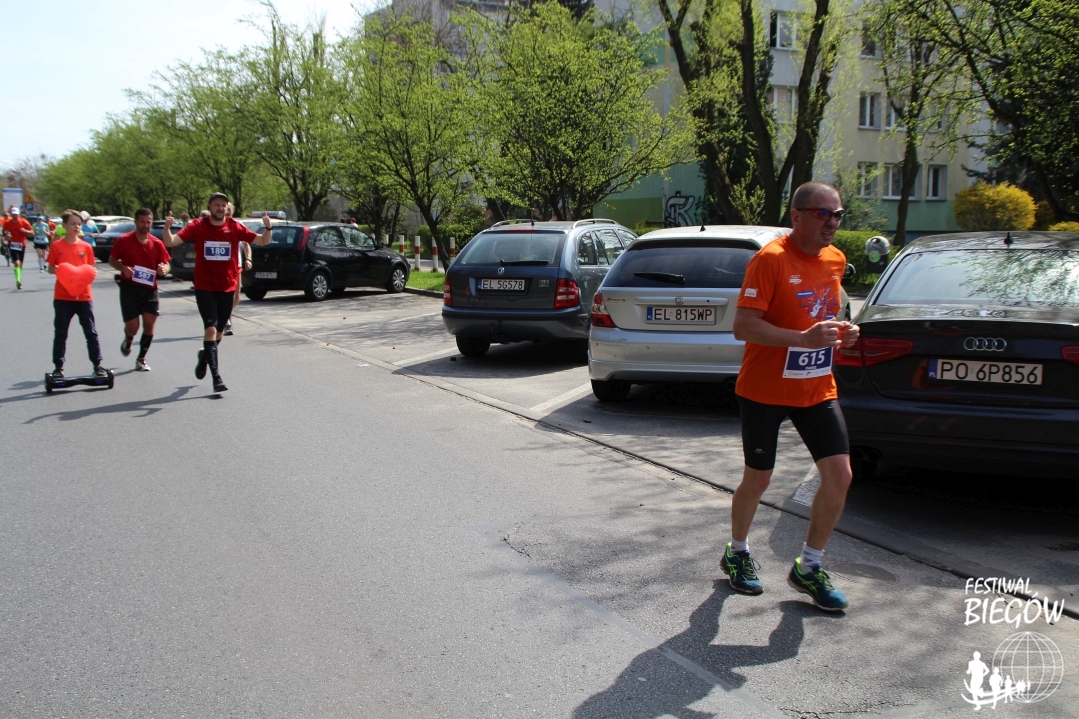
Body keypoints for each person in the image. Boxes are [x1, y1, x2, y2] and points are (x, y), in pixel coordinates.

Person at [723, 181, 860, 612]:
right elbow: (743, 326)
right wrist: (801, 339)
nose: (832, 222)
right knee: (759, 479)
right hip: (765, 390)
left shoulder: (836, 259)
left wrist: (845, 332)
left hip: (816, 387)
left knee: (840, 476)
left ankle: (809, 567)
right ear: (796, 216)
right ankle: (737, 552)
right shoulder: (771, 260)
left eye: (837, 214)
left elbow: (824, 314)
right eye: (823, 213)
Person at [161, 192, 272, 393]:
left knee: (219, 331)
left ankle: (205, 356)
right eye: (216, 205)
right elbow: (171, 242)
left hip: (227, 287)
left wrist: (268, 227)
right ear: (209, 207)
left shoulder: (234, 226)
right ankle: (216, 378)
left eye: (223, 205)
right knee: (210, 329)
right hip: (205, 287)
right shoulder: (198, 225)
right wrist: (167, 228)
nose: (220, 208)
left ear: (227, 207)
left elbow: (263, 241)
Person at [108, 208, 171, 372]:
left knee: (149, 325)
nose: (145, 225)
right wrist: (123, 268)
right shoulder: (124, 240)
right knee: (133, 327)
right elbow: (112, 260)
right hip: (129, 288)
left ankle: (141, 359)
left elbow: (166, 263)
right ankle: (129, 338)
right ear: (136, 222)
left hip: (150, 289)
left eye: (148, 222)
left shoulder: (156, 243)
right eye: (142, 222)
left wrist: (164, 269)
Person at [47, 210, 105, 379]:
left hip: (83, 296)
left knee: (91, 332)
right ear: (64, 225)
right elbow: (50, 268)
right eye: (72, 224)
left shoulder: (86, 247)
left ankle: (97, 365)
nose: (76, 227)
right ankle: (58, 367)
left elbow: (90, 269)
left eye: (79, 224)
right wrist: (59, 271)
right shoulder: (56, 246)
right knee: (61, 333)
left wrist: (90, 274)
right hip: (63, 297)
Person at [222, 202, 251, 336]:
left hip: (236, 266)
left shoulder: (237, 225)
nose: (227, 212)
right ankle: (226, 320)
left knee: (237, 296)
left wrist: (248, 259)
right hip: (221, 267)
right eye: (225, 210)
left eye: (229, 210)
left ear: (232, 211)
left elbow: (246, 244)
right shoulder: (216, 226)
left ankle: (223, 314)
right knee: (224, 295)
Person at [2, 207, 34, 289]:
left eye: (16, 214)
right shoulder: (7, 222)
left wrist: (25, 231)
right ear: (11, 215)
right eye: (13, 214)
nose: (14, 216)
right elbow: (3, 232)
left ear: (18, 214)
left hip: (22, 244)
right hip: (12, 244)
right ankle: (18, 281)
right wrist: (6, 235)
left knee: (21, 264)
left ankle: (19, 278)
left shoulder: (24, 222)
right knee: (16, 262)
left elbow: (32, 233)